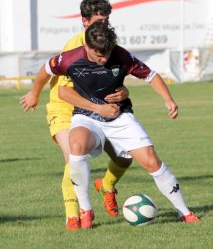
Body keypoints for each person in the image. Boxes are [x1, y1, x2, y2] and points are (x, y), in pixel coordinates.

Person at [40, 21, 199, 229]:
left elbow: (151, 76)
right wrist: (97, 109)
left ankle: (184, 212)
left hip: (120, 117)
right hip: (87, 117)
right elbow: (60, 89)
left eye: (107, 53)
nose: (104, 58)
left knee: (151, 161)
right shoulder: (69, 58)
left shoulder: (121, 55)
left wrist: (168, 100)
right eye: (99, 55)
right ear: (86, 47)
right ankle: (86, 210)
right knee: (76, 148)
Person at [20, 0, 132, 230]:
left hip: (97, 108)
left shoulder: (107, 43)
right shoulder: (74, 47)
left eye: (107, 20)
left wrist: (123, 91)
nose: (104, 25)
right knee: (73, 157)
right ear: (84, 21)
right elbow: (46, 71)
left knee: (125, 156)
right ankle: (74, 216)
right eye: (99, 20)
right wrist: (34, 93)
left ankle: (107, 186)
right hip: (64, 107)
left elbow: (116, 75)